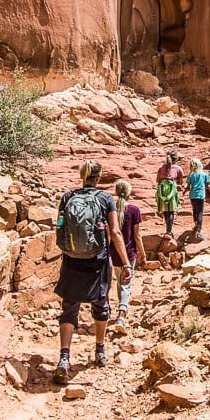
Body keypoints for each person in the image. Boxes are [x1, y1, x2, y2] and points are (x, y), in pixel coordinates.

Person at [53, 160, 132, 385]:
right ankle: (99, 350)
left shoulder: (67, 197)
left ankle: (64, 358)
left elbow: (59, 226)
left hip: (71, 259)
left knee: (69, 308)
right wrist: (125, 263)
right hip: (97, 261)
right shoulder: (106, 199)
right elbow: (115, 232)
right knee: (101, 304)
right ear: (98, 178)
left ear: (82, 175)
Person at [110, 180, 146, 335]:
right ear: (129, 193)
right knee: (126, 284)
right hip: (129, 253)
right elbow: (137, 236)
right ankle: (121, 316)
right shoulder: (134, 209)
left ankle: (120, 308)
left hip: (113, 253)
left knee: (120, 282)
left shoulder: (111, 209)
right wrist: (142, 254)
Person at [156, 150, 184, 237]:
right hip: (172, 189)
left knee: (165, 210)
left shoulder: (161, 167)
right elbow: (181, 182)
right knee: (171, 211)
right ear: (176, 159)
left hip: (162, 188)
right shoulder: (178, 168)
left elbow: (157, 180)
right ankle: (169, 231)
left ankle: (167, 230)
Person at [185, 158, 210, 241]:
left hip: (192, 196)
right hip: (200, 196)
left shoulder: (191, 175)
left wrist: (184, 191)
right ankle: (198, 232)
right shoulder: (204, 175)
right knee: (200, 212)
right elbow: (208, 186)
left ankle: (196, 225)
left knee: (195, 211)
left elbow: (188, 186)